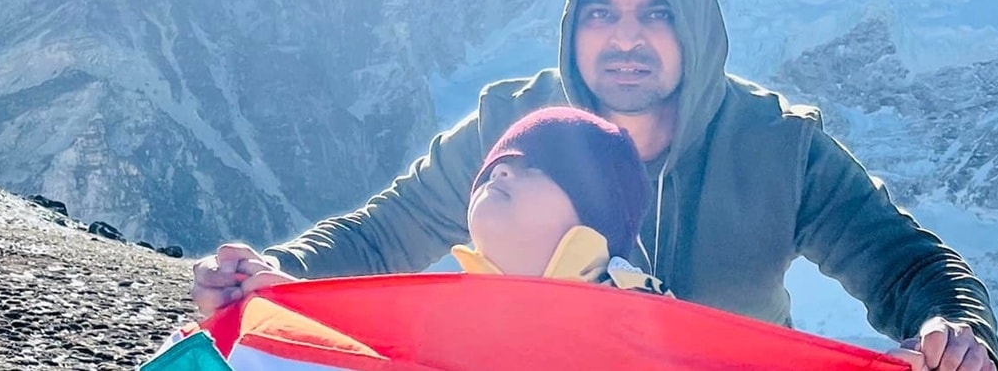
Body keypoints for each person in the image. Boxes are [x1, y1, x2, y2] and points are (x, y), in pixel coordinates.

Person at [194, 0, 998, 371]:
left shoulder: (779, 150)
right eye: (601, 13)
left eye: (656, 14)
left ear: (697, 27)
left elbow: (910, 266)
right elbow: (382, 234)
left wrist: (955, 333)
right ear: (572, 25)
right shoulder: (514, 126)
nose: (625, 39)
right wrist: (276, 276)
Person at [206, 106, 665, 301]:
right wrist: (285, 299)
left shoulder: (643, 317)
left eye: (537, 168)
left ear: (593, 215)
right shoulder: (445, 310)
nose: (502, 172)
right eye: (499, 164)